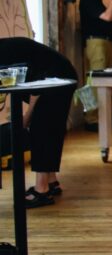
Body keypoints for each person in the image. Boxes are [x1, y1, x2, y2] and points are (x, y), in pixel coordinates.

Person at [0, 38, 76, 208]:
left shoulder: (5, 56)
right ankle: (51, 181)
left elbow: (36, 90)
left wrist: (26, 119)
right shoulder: (6, 51)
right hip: (63, 73)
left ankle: (41, 191)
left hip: (55, 78)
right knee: (52, 128)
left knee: (42, 129)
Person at [79, 0, 112, 128]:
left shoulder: (96, 1)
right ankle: (92, 119)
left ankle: (102, 116)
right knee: (95, 81)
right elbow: (107, 17)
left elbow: (106, 21)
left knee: (102, 80)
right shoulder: (87, 1)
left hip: (103, 42)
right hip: (96, 43)